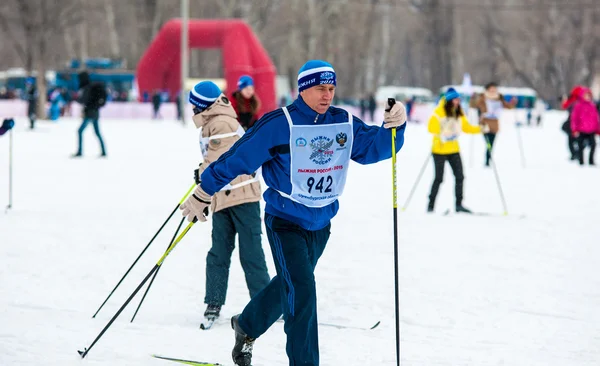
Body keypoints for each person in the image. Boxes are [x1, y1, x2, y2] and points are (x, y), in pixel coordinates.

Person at [179, 60, 407, 366]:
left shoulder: (342, 121)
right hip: (284, 221)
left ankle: (246, 324)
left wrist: (395, 126)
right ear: (303, 90)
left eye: (331, 88)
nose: (327, 95)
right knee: (302, 292)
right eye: (320, 89)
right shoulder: (279, 124)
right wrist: (205, 191)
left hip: (322, 222)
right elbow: (238, 159)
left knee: (290, 283)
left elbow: (374, 149)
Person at [187, 81, 270, 329]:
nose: (191, 108)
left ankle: (265, 304)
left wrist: (202, 177)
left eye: (193, 103)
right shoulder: (214, 121)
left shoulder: (222, 122)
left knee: (251, 252)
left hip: (243, 196)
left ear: (201, 104)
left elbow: (217, 161)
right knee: (218, 253)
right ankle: (213, 302)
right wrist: (201, 175)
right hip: (223, 197)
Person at [427, 88, 481, 213]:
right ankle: (431, 205)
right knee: (439, 178)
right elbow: (430, 128)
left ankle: (458, 204)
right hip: (439, 150)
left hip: (453, 149)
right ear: (449, 100)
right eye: (456, 100)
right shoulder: (439, 111)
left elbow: (466, 127)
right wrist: (444, 128)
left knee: (460, 176)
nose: (458, 102)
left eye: (459, 100)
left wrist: (481, 129)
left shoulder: (459, 111)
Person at [471, 82, 516, 166]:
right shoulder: (483, 98)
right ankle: (487, 160)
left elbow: (508, 106)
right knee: (488, 143)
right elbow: (474, 105)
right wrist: (473, 99)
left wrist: (513, 102)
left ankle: (488, 157)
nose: (493, 91)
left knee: (491, 144)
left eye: (494, 90)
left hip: (494, 125)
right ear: (487, 90)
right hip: (484, 123)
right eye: (491, 90)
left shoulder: (499, 98)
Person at [73, 72, 107, 158]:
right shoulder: (91, 87)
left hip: (89, 113)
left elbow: (83, 100)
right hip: (95, 112)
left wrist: (76, 98)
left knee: (80, 131)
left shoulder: (86, 88)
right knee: (97, 133)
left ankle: (80, 151)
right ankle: (103, 151)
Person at [569, 86, 599, 166]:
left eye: (589, 95)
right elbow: (574, 119)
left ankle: (591, 160)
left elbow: (596, 118)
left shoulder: (592, 106)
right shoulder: (578, 106)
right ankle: (581, 161)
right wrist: (574, 129)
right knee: (581, 146)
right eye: (586, 95)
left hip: (591, 130)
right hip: (581, 130)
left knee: (593, 145)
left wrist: (598, 129)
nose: (587, 97)